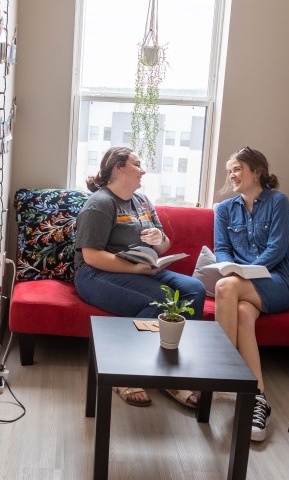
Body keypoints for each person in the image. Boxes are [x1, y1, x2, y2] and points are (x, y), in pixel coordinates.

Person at [74, 147, 206, 408]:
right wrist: (134, 270)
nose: (143, 170)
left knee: (194, 289)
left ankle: (168, 370)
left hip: (143, 267)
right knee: (160, 300)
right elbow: (90, 255)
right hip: (96, 273)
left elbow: (164, 244)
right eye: (138, 164)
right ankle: (124, 371)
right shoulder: (100, 204)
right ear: (118, 169)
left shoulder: (142, 200)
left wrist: (160, 240)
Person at [213, 147, 289, 442]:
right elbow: (222, 249)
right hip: (244, 287)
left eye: (237, 169)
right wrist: (229, 268)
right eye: (229, 171)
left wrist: (242, 273)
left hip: (276, 282)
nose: (232, 176)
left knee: (225, 286)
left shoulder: (278, 202)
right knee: (243, 314)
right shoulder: (223, 209)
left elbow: (277, 249)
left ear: (257, 171)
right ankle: (256, 397)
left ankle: (221, 371)